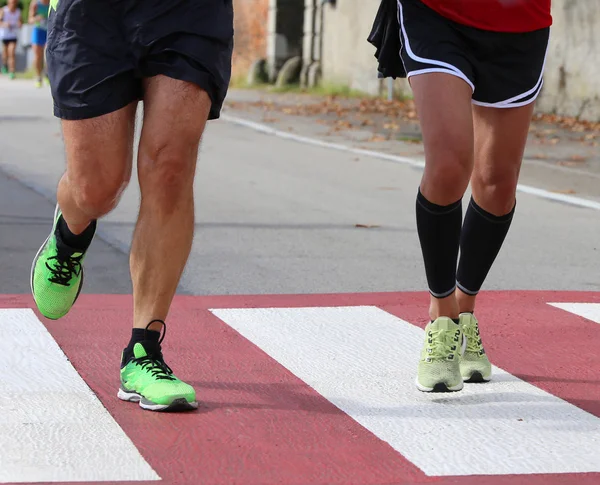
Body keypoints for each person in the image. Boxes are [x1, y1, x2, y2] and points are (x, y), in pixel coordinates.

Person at [31, 0, 233, 411]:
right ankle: (70, 233)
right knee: (97, 189)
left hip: (190, 11)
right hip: (92, 14)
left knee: (170, 166)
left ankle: (143, 352)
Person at [370, 0, 551, 392]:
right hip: (438, 13)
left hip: (520, 22)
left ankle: (463, 310)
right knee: (449, 164)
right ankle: (441, 317)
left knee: (497, 183)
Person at [28, 0, 49, 87]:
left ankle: (47, 74)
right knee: (38, 55)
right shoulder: (35, 3)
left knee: (48, 54)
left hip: (49, 31)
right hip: (38, 30)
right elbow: (30, 20)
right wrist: (37, 18)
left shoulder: (53, 2)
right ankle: (38, 77)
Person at [0, 0, 22, 79]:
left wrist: (19, 24)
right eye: (12, 2)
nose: (13, 4)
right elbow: (0, 22)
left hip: (13, 35)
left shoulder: (18, 11)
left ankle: (12, 71)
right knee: (5, 54)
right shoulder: (3, 10)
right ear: (8, 3)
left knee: (11, 52)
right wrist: (6, 24)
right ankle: (5, 65)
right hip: (5, 35)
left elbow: (20, 22)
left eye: (14, 2)